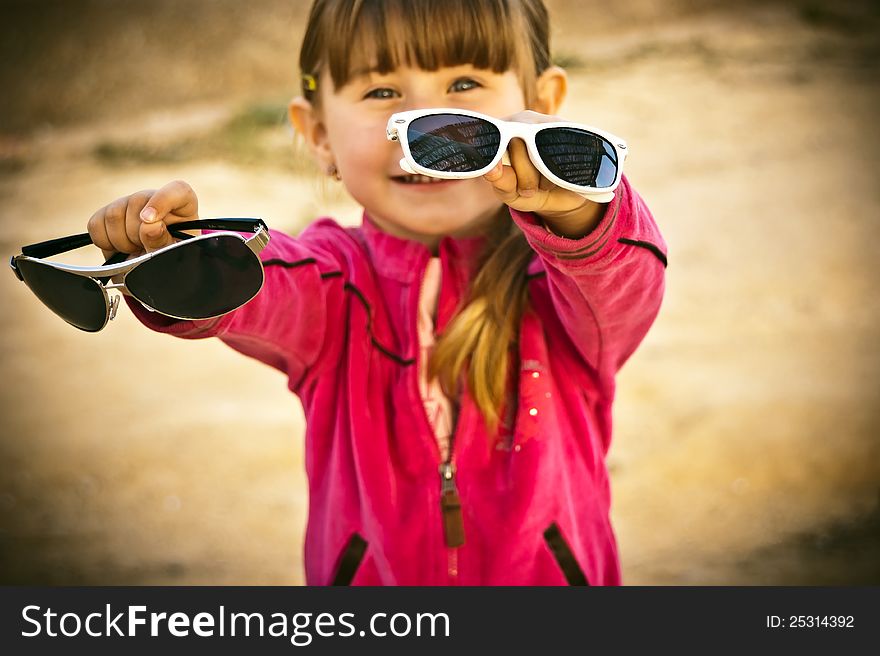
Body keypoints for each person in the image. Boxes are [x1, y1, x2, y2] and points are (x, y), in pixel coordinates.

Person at [86, 0, 667, 585]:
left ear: (539, 108)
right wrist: (179, 261)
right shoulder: (332, 287)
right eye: (382, 92)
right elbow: (261, 282)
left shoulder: (572, 291)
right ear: (319, 135)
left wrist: (579, 209)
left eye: (464, 83)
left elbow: (624, 281)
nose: (427, 122)